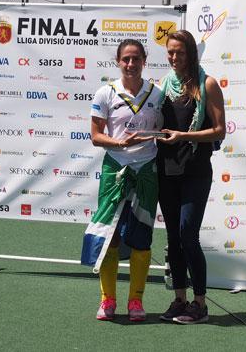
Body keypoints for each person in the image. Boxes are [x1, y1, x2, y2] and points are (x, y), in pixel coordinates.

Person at [81, 39, 162, 322]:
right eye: (126, 59)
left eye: (136, 58)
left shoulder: (157, 93)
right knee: (110, 234)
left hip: (146, 170)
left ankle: (136, 302)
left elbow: (165, 131)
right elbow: (95, 135)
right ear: (118, 61)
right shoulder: (105, 93)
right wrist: (118, 142)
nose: (131, 64)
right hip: (115, 169)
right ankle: (108, 299)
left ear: (144, 61)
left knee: (142, 235)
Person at [157, 30, 226, 325]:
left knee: (188, 234)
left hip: (196, 169)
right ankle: (179, 300)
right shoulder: (163, 84)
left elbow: (220, 130)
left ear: (191, 54)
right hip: (166, 168)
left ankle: (200, 304)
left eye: (180, 53)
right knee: (173, 238)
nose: (174, 58)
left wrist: (183, 136)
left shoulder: (207, 83)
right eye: (170, 52)